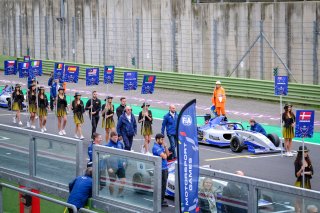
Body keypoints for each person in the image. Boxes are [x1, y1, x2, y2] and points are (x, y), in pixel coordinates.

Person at [106, 132, 126, 197]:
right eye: (114, 137)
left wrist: (124, 161)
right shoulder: (107, 146)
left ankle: (119, 195)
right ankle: (111, 195)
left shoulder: (120, 144)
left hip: (120, 166)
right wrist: (109, 168)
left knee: (123, 181)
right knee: (112, 182)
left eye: (117, 137)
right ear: (111, 137)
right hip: (112, 167)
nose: (116, 139)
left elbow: (123, 153)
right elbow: (106, 157)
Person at [152, 133, 170, 207]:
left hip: (164, 168)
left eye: (163, 139)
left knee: (163, 186)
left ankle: (161, 200)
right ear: (157, 139)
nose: (163, 141)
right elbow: (165, 157)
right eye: (162, 139)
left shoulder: (161, 146)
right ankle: (159, 201)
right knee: (161, 186)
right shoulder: (156, 147)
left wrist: (165, 147)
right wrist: (165, 154)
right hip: (161, 169)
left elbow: (168, 154)